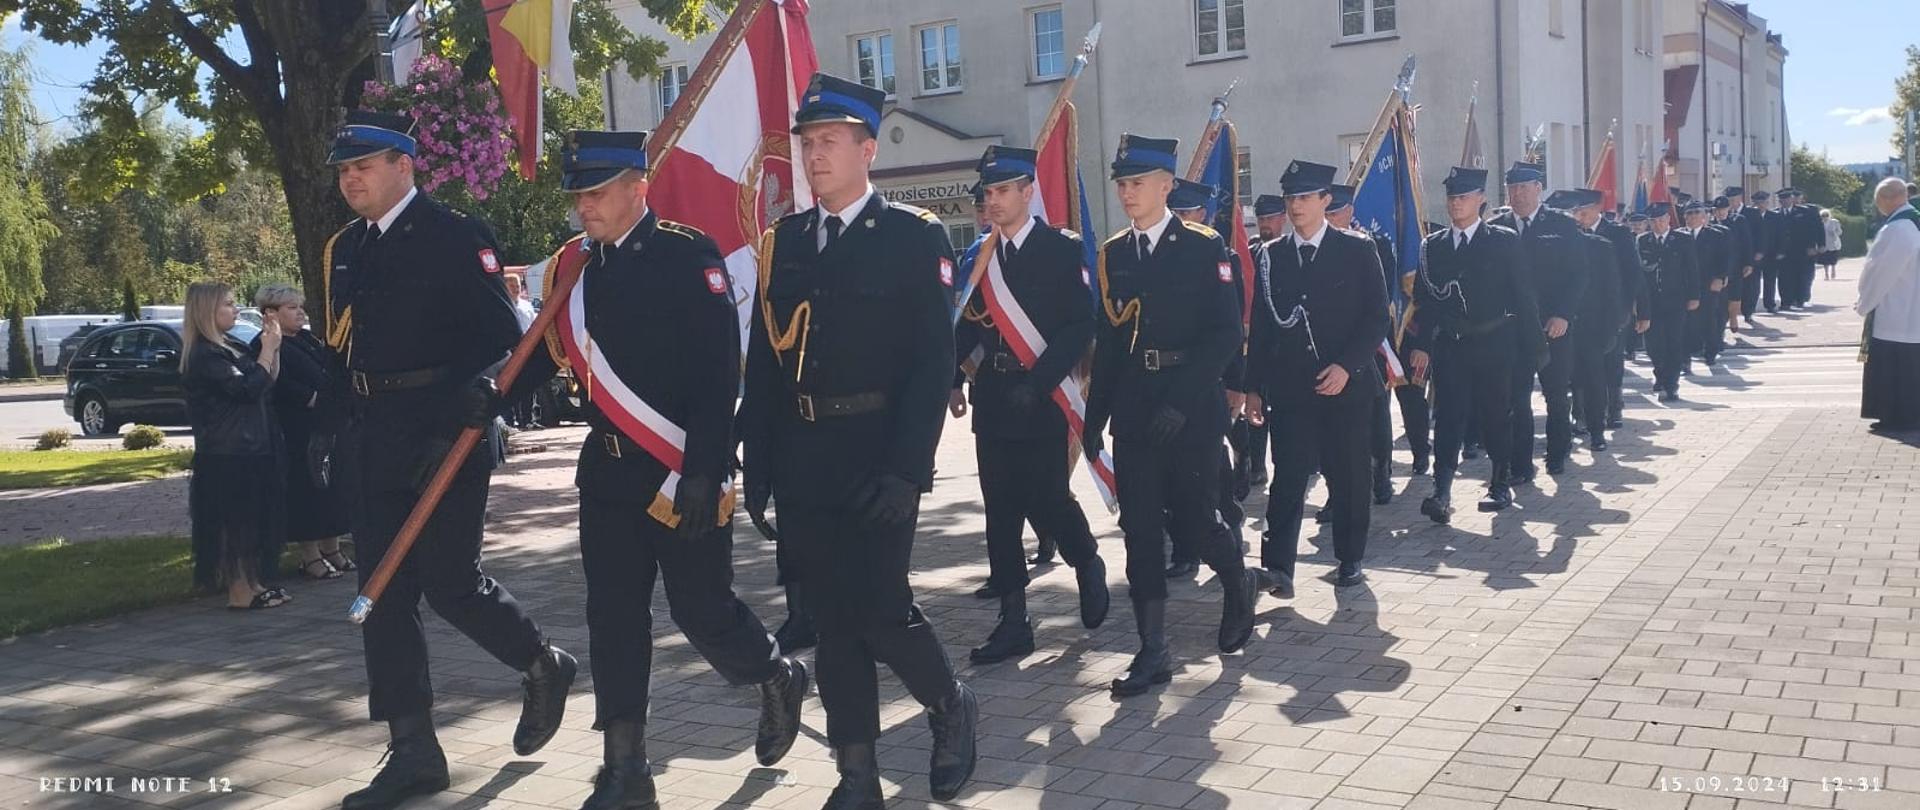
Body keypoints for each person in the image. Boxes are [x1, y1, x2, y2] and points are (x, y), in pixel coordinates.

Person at [493, 130, 808, 809]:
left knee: (703, 612)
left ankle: (776, 676)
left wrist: (703, 471)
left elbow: (717, 369)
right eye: (578, 195)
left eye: (597, 193)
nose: (584, 207)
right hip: (606, 478)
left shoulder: (685, 255)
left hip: (678, 474)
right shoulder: (574, 267)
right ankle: (625, 768)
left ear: (640, 187)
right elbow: (549, 353)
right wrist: (492, 394)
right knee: (613, 620)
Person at [321, 110, 574, 810]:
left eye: (362, 167)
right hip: (375, 433)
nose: (351, 180)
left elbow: (512, 347)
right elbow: (349, 348)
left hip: (447, 432)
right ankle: (413, 751)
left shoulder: (456, 237)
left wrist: (483, 400)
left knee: (448, 580)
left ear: (405, 166)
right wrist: (330, 430)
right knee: (382, 592)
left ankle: (540, 661)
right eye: (344, 170)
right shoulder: (346, 248)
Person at [738, 74, 978, 808]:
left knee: (878, 606)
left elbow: (932, 362)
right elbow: (767, 361)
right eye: (807, 143)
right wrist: (759, 463)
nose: (814, 156)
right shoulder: (784, 243)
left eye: (829, 142)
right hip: (806, 455)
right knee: (832, 621)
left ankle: (948, 703)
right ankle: (857, 775)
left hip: (878, 452)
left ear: (867, 150)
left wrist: (909, 469)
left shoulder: (912, 235)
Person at [1084, 133, 1258, 698]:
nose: (1128, 193)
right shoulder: (1114, 254)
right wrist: (1094, 417)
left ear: (1166, 186)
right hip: (1135, 409)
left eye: (1137, 183)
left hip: (1191, 406)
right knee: (1138, 531)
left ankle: (1237, 584)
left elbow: (1225, 333)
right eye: (1122, 184)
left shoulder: (1205, 247)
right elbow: (1110, 342)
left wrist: (1182, 401)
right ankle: (1153, 649)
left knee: (1194, 521)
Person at [951, 145, 1111, 665]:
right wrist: (954, 378)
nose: (992, 201)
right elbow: (964, 324)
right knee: (1000, 509)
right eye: (987, 193)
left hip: (1040, 396)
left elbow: (1080, 325)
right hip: (994, 398)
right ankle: (1014, 621)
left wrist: (1041, 380)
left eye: (1002, 191)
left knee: (1047, 498)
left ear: (1027, 192)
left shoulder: (1060, 250)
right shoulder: (978, 256)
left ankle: (1086, 560)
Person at [1246, 161, 1388, 589]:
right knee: (1288, 477)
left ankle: (1348, 557)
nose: (1295, 206)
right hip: (1292, 389)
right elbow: (1264, 325)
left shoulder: (1357, 249)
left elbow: (1377, 318)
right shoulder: (1271, 256)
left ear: (1326, 200)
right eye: (1290, 198)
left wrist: (1347, 366)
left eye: (1305, 197)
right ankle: (1278, 567)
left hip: (1346, 385)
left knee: (1347, 475)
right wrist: (1254, 388)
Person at [1408, 168, 1538, 522]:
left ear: (1481, 199)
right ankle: (1442, 490)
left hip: (1495, 342)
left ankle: (1499, 482)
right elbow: (1425, 300)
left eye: (1463, 197)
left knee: (1496, 415)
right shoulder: (1432, 246)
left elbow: (1523, 295)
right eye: (1451, 198)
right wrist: (1421, 345)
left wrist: (1534, 348)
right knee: (1448, 417)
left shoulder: (1503, 240)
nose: (1455, 204)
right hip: (1452, 346)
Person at [183, 281, 290, 611]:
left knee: (254, 520)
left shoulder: (230, 345)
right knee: (235, 523)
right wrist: (267, 350)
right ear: (207, 311)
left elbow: (265, 383)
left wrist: (275, 346)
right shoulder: (205, 354)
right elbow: (245, 388)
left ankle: (254, 581)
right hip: (226, 452)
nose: (236, 309)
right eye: (228, 304)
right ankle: (238, 589)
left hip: (251, 445)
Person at [1166, 177, 1247, 578]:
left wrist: (1235, 383)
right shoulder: (1159, 255)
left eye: (1188, 213)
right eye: (1175, 212)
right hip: (1165, 382)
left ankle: (1229, 530)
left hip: (1207, 379)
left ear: (1205, 214)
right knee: (1173, 476)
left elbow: (1231, 330)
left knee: (1211, 470)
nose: (1181, 220)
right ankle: (1184, 550)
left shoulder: (1223, 259)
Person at [1489, 162, 1588, 481]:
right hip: (1514, 328)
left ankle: (1557, 452)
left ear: (1538, 188)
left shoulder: (1561, 225)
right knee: (1516, 398)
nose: (1517, 195)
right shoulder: (1497, 226)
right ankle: (1521, 464)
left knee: (1556, 394)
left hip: (1552, 326)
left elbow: (1579, 276)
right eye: (1512, 189)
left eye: (1523, 188)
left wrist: (1564, 314)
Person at [1328, 184, 1432, 484]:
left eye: (1336, 213)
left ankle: (1401, 459)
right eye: (1328, 213)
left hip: (1387, 330)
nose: (1332, 219)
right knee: (1368, 407)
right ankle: (1369, 473)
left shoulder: (1374, 244)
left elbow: (1383, 290)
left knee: (1402, 398)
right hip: (1345, 340)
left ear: (1350, 212)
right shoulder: (1322, 246)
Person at [251, 283, 352, 581]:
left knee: (332, 486)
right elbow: (276, 383)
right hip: (296, 428)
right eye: (292, 308)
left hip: (327, 424)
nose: (300, 313)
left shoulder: (307, 339)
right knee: (307, 489)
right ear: (271, 312)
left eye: (300, 307)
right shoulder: (266, 343)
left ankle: (331, 546)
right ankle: (310, 555)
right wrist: (311, 398)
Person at [1555, 190, 1621, 453]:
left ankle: (1596, 431)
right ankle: (1564, 432)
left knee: (1594, 380)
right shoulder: (1550, 247)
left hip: (1591, 327)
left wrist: (1611, 329)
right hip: (1558, 327)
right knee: (1561, 383)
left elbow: (1612, 291)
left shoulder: (1600, 247)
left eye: (1575, 214)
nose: (1573, 219)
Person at [1857, 177, 1920, 432]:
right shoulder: (1912, 221)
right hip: (1911, 305)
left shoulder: (1898, 228)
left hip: (1898, 308)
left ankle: (1896, 415)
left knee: (1895, 367)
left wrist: (1864, 300)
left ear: (1887, 199)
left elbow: (1879, 271)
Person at [1638, 202, 1701, 402]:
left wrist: (1694, 296)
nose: (1658, 224)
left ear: (1668, 220)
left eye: (1661, 220)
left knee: (1673, 342)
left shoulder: (1682, 239)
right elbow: (1639, 273)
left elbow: (1692, 269)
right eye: (1654, 221)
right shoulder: (1643, 240)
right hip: (1651, 302)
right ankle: (1660, 373)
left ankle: (1671, 384)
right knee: (1653, 345)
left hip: (1676, 300)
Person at [1601, 210, 1650, 431]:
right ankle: (1583, 410)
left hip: (1614, 309)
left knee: (1613, 359)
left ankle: (1614, 406)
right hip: (1581, 311)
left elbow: (1634, 273)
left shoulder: (1618, 233)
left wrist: (1642, 310)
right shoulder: (1571, 231)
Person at [1686, 200, 1735, 368]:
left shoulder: (1716, 235)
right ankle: (1692, 349)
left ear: (1704, 217)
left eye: (1696, 213)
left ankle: (1711, 352)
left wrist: (1720, 277)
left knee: (1709, 318)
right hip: (1686, 285)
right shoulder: (1679, 235)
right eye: (1688, 214)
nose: (1692, 217)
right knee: (1689, 320)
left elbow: (1725, 258)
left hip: (1708, 283)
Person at [501, 272, 541, 429]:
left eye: (517, 285)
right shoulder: (503, 305)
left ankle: (528, 420)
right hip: (509, 350)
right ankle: (509, 422)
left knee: (529, 385)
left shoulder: (527, 305)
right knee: (508, 386)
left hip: (527, 348)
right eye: (512, 286)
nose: (516, 289)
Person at [1822, 208, 1844, 280]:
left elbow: (1840, 232)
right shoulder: (1820, 223)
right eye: (1823, 215)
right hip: (1824, 243)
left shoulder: (1834, 222)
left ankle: (1833, 270)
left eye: (1826, 215)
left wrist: (1835, 233)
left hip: (1834, 243)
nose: (1825, 217)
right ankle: (1826, 274)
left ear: (1829, 215)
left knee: (1833, 258)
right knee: (1825, 259)